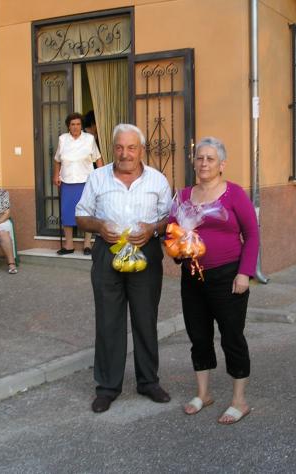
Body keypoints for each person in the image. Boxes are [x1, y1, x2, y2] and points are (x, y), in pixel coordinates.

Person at [76, 123, 172, 413]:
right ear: (113, 149)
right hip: (108, 253)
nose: (125, 153)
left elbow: (169, 218)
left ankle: (148, 382)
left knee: (145, 319)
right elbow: (81, 216)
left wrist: (153, 228)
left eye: (131, 147)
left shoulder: (157, 180)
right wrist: (99, 226)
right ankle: (107, 387)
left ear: (141, 150)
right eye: (119, 147)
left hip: (146, 252)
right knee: (108, 321)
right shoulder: (97, 177)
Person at [173, 137, 259, 425]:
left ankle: (239, 401)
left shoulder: (234, 194)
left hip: (228, 276)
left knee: (232, 336)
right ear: (193, 162)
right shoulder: (183, 196)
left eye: (210, 158)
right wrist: (177, 248)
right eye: (200, 158)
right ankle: (204, 394)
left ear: (222, 164)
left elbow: (252, 235)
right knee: (198, 335)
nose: (204, 163)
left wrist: (245, 272)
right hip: (192, 276)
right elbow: (173, 233)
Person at [53, 112, 103, 256]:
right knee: (67, 213)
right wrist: (56, 175)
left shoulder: (89, 139)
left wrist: (102, 177)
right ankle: (69, 245)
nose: (75, 127)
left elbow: (98, 159)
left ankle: (87, 244)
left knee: (86, 212)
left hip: (86, 182)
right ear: (68, 126)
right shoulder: (62, 139)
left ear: (81, 125)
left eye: (78, 124)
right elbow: (57, 160)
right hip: (67, 181)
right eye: (72, 124)